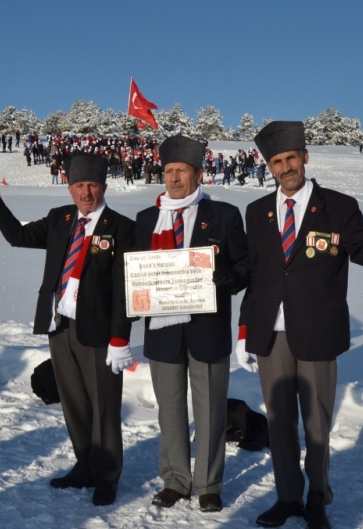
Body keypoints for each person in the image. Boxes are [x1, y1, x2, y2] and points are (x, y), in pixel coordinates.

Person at [237, 122, 363, 529]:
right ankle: (288, 497)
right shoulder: (256, 211)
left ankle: (317, 498)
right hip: (270, 334)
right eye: (276, 162)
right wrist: (245, 330)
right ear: (269, 166)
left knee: (316, 423)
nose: (285, 168)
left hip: (317, 331)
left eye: (290, 158)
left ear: (305, 157)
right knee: (279, 422)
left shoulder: (338, 206)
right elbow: (258, 276)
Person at [0, 153, 135, 507]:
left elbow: (127, 288)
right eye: (79, 185)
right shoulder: (59, 219)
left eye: (92, 185)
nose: (86, 192)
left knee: (104, 406)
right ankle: (85, 465)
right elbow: (17, 236)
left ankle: (107, 475)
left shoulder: (121, 227)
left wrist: (121, 336)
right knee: (74, 402)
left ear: (104, 187)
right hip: (60, 325)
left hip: (100, 333)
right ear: (69, 187)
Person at [134, 136, 249, 513]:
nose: (174, 177)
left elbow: (247, 266)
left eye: (181, 170)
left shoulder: (225, 215)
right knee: (169, 410)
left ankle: (208, 483)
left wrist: (230, 277)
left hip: (208, 329)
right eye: (168, 170)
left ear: (198, 174)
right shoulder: (147, 220)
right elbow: (134, 274)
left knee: (211, 411)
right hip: (163, 331)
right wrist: (134, 300)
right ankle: (176, 480)